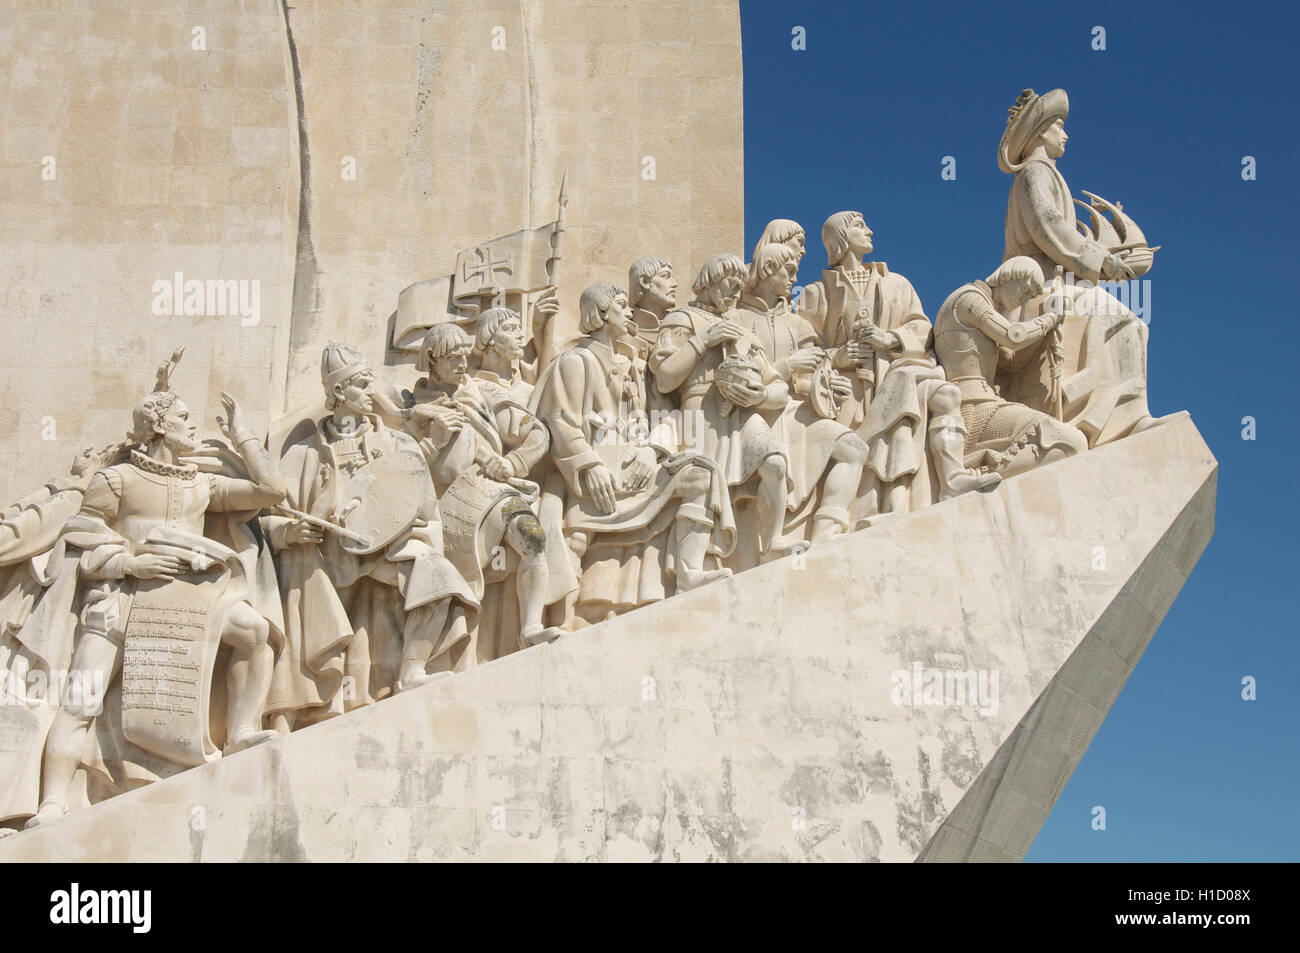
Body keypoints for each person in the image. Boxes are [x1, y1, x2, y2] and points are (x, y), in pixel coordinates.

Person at [28, 382, 286, 828]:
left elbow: (271, 490)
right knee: (81, 698)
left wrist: (243, 435)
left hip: (186, 600)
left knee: (254, 631)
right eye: (185, 419)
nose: (193, 427)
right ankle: (52, 802)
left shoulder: (201, 484)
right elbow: (77, 540)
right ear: (161, 425)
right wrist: (130, 561)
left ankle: (241, 731)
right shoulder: (117, 479)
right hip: (122, 598)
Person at [263, 344, 478, 728]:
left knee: (439, 576)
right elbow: (269, 517)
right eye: (362, 385)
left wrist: (406, 524)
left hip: (384, 550)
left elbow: (420, 499)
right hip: (327, 557)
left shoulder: (395, 443)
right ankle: (304, 701)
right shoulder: (304, 454)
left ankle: (412, 670)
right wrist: (289, 533)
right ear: (339, 393)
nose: (372, 393)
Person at [530, 282, 734, 622]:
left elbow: (667, 417)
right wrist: (588, 465)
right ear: (600, 314)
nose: (628, 312)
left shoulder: (636, 368)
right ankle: (559, 619)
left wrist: (652, 451)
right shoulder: (575, 361)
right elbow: (561, 421)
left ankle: (688, 573)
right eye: (621, 306)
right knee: (577, 533)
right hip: (595, 469)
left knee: (701, 474)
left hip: (636, 466)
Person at [998, 87, 1161, 445]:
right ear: (1041, 131)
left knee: (1131, 324)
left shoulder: (1045, 173)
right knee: (1123, 319)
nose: (1065, 134)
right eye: (1059, 126)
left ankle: (1121, 414)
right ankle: (1117, 419)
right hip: (1040, 285)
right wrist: (1102, 261)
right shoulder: (1033, 173)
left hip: (1062, 279)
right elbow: (1049, 227)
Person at [405, 323, 576, 655]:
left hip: (489, 489)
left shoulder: (479, 393)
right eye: (453, 359)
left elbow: (536, 432)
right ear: (431, 359)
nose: (461, 365)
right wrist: (432, 441)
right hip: (444, 501)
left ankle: (530, 628)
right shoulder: (411, 406)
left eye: (464, 357)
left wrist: (512, 463)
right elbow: (402, 466)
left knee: (533, 536)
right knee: (442, 581)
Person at [650, 252, 790, 561]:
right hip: (700, 410)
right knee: (704, 487)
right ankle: (695, 566)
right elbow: (665, 378)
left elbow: (780, 386)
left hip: (743, 411)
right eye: (731, 283)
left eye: (741, 286)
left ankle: (775, 541)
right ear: (712, 280)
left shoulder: (743, 333)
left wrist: (760, 397)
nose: (736, 293)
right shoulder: (681, 319)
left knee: (775, 463)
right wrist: (703, 341)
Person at [735, 242, 866, 548]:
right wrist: (785, 367)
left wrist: (830, 387)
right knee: (774, 466)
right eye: (789, 271)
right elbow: (738, 379)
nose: (795, 278)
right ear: (768, 270)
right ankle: (771, 542)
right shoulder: (736, 319)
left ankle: (826, 531)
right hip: (757, 413)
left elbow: (812, 379)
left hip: (796, 413)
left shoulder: (799, 325)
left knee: (853, 447)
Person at [933, 258, 1089, 475]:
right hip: (974, 407)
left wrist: (1048, 342)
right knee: (1070, 442)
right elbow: (1013, 336)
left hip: (984, 402)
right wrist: (1051, 318)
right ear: (1010, 276)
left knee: (1070, 443)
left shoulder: (982, 306)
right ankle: (980, 475)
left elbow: (1010, 359)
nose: (1023, 301)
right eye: (1025, 292)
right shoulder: (969, 299)